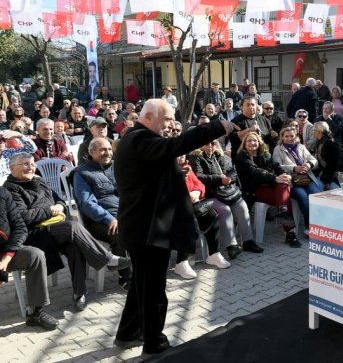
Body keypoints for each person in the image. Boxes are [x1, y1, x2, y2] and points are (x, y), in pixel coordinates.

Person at [112, 99, 236, 355]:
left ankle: (127, 333)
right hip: (147, 229)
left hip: (146, 226)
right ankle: (154, 343)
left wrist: (175, 172)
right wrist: (217, 127)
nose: (171, 124)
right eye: (167, 119)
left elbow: (152, 172)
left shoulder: (140, 138)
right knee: (153, 289)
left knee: (141, 285)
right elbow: (177, 144)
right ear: (148, 117)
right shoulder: (139, 138)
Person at [5, 153, 130, 312]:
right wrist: (50, 210)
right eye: (25, 164)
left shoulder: (39, 180)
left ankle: (79, 293)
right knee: (71, 226)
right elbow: (23, 217)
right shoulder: (9, 190)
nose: (30, 167)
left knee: (74, 246)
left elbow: (59, 200)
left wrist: (60, 206)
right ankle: (107, 259)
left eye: (32, 164)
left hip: (54, 229)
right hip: (32, 234)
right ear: (12, 168)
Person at [73, 138, 132, 290]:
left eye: (109, 149)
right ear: (91, 152)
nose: (108, 153)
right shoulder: (82, 173)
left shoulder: (117, 166)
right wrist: (108, 218)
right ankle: (126, 278)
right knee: (119, 232)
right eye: (103, 150)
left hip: (124, 214)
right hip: (98, 221)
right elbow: (87, 203)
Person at [189, 139, 263, 257]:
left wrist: (228, 179)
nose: (210, 146)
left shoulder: (219, 155)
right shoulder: (195, 157)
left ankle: (248, 241)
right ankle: (231, 246)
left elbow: (232, 172)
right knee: (225, 210)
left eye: (213, 143)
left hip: (226, 192)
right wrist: (219, 179)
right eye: (206, 143)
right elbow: (199, 176)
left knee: (242, 207)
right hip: (210, 194)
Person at [0, 186, 58, 330]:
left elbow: (20, 227)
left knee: (35, 255)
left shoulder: (3, 193)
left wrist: (7, 257)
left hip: (6, 251)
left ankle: (36, 313)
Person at [233, 132, 298, 247]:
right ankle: (290, 234)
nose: (252, 143)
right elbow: (255, 172)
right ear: (244, 144)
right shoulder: (241, 157)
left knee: (284, 186)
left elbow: (276, 166)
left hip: (270, 187)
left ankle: (282, 212)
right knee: (284, 199)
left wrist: (284, 175)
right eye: (249, 141)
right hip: (253, 191)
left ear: (259, 142)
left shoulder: (265, 154)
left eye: (255, 140)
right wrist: (275, 178)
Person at [273, 126, 323, 238]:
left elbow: (313, 160)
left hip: (307, 178)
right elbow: (277, 166)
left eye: (292, 136)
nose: (289, 138)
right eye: (286, 136)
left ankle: (320, 225)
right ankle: (310, 227)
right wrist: (294, 168)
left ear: (296, 136)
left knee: (316, 195)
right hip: (293, 181)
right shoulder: (278, 149)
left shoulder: (301, 147)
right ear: (282, 137)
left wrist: (308, 165)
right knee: (304, 197)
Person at [312, 121, 340, 190]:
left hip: (331, 176)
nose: (312, 131)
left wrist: (327, 181)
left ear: (319, 131)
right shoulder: (319, 141)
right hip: (322, 174)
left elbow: (333, 165)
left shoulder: (331, 143)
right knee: (313, 187)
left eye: (314, 130)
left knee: (335, 191)